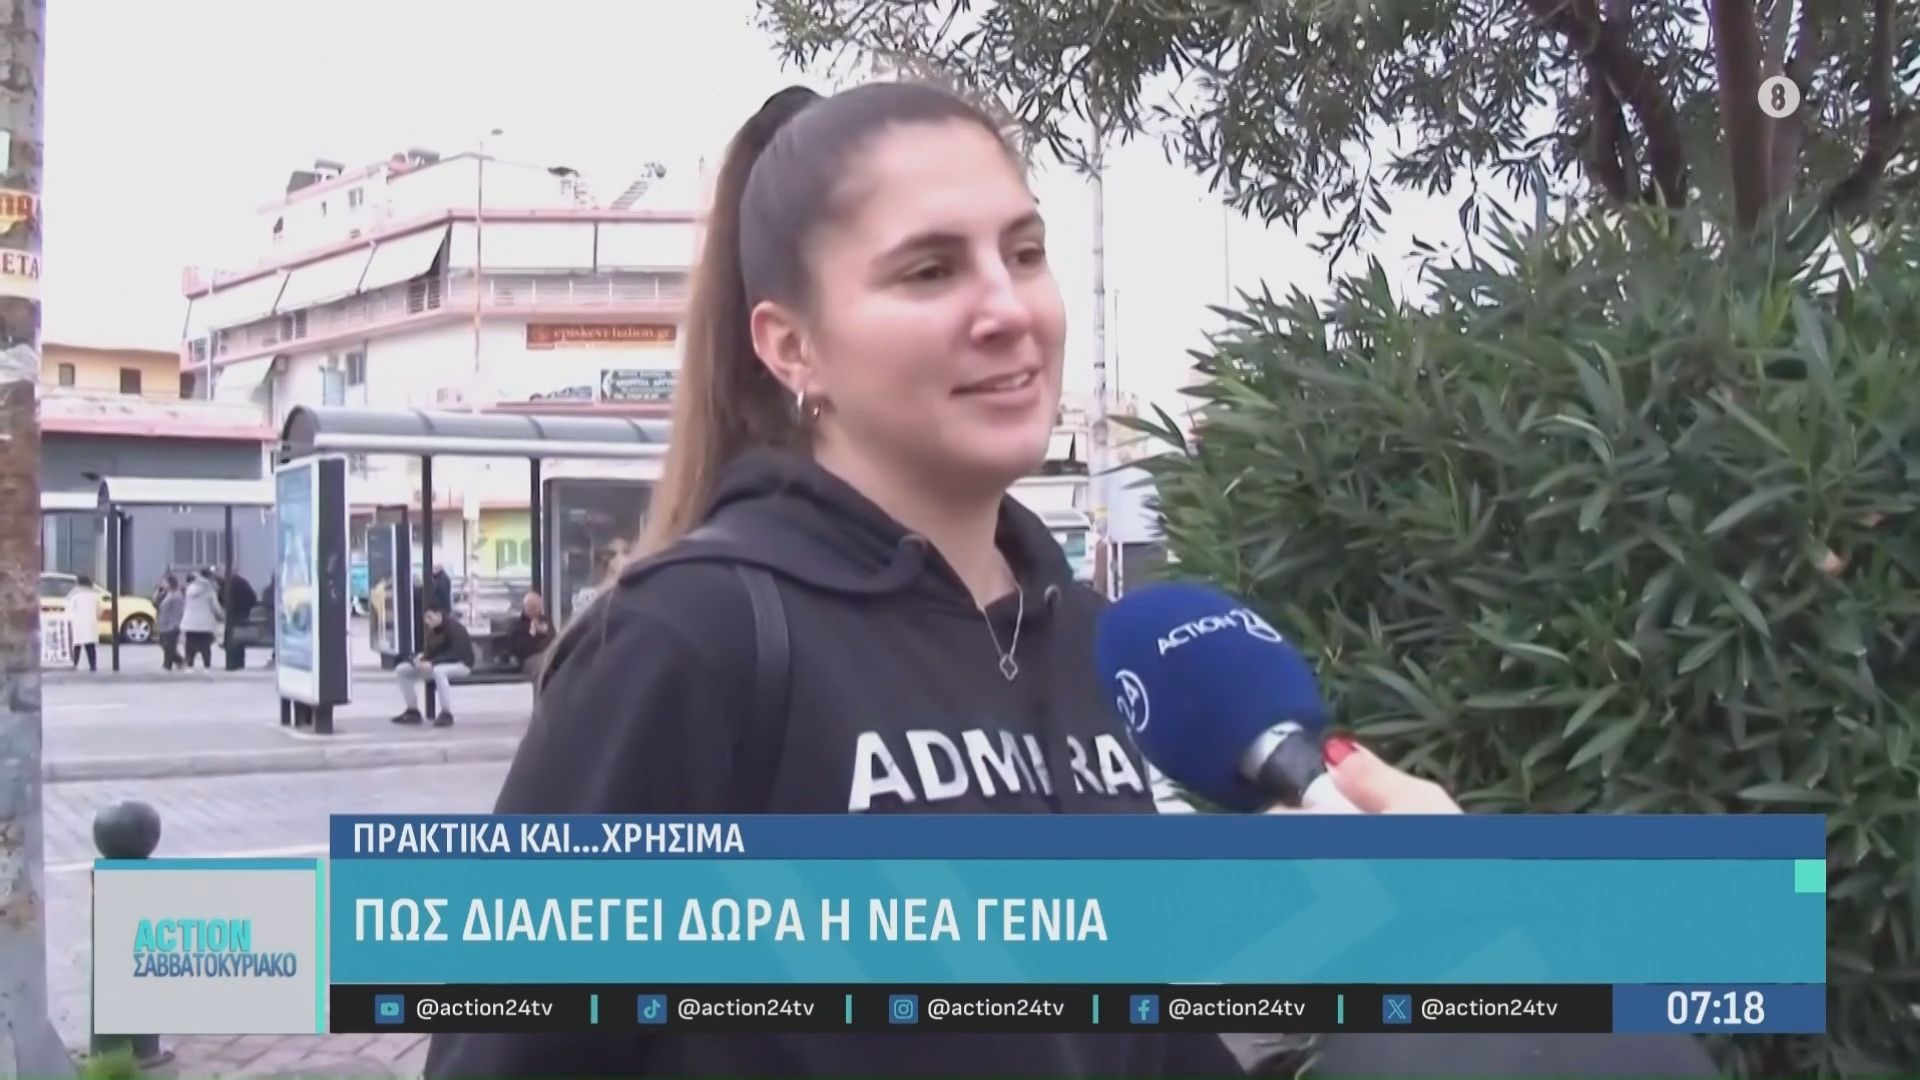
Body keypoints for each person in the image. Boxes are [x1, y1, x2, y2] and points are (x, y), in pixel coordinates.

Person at [424, 83, 1716, 1079]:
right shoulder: (689, 643)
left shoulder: (1101, 650)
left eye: (1025, 251)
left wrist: (1427, 920)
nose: (1008, 308)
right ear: (790, 345)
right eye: (931, 269)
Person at [392, 606, 473, 728]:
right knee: (402, 670)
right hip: (435, 665)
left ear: (439, 615)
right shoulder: (432, 630)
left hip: (461, 665)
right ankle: (412, 710)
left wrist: (433, 662)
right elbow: (430, 652)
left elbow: (457, 653)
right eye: (425, 618)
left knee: (439, 671)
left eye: (430, 617)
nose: (427, 621)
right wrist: (419, 659)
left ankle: (446, 713)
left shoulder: (455, 628)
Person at [179, 571, 224, 670]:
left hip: (189, 622)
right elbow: (215, 607)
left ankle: (189, 664)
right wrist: (222, 616)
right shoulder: (210, 590)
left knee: (189, 645)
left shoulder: (189, 589)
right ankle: (207, 665)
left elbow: (185, 605)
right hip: (205, 623)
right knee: (205, 646)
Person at [500, 591, 553, 673]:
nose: (537, 610)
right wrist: (537, 634)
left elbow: (555, 640)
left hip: (548, 656)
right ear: (525, 607)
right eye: (533, 607)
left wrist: (545, 633)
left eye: (539, 607)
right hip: (527, 660)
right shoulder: (517, 626)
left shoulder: (545, 621)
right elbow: (523, 649)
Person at [65, 575, 101, 672]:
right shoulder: (95, 594)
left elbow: (69, 609)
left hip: (77, 623)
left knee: (76, 645)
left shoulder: (74, 594)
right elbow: (99, 611)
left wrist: (70, 621)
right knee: (90, 646)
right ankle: (93, 666)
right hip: (91, 623)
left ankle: (74, 664)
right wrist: (95, 618)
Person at [156, 574, 185, 671]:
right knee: (164, 645)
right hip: (164, 625)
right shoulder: (168, 594)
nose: (162, 584)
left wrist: (175, 624)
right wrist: (159, 592)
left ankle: (168, 665)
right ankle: (178, 661)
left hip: (171, 625)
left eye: (164, 583)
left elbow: (178, 612)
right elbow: (155, 603)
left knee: (169, 646)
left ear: (170, 583)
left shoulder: (176, 595)